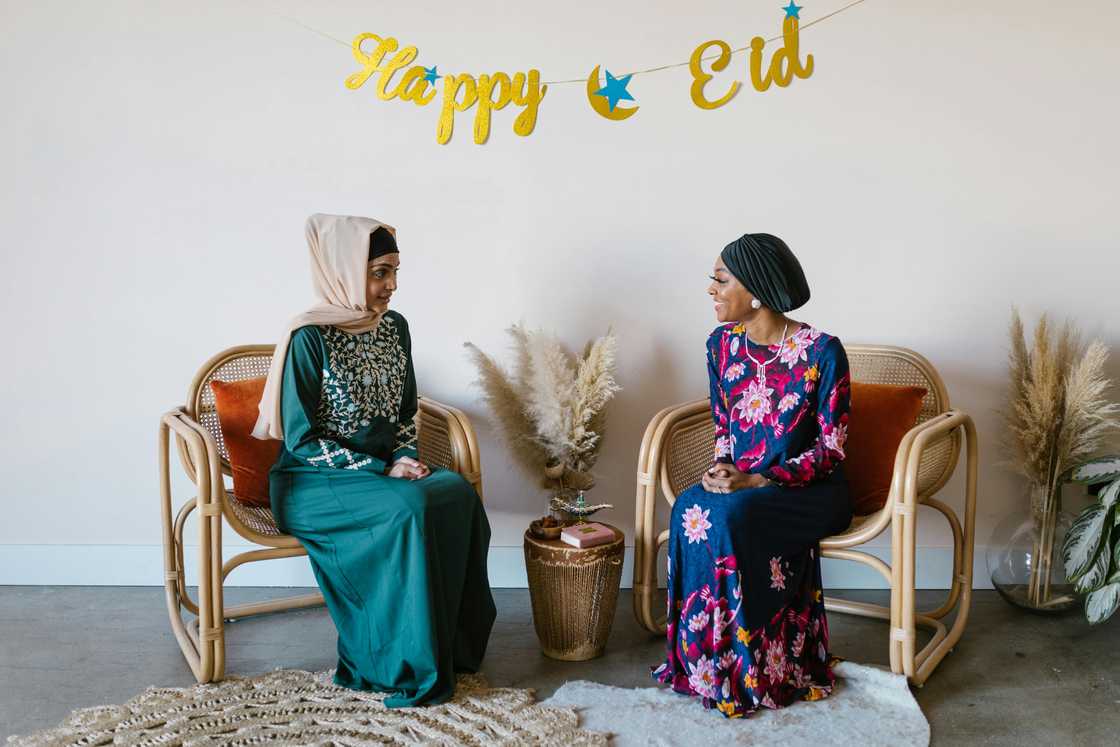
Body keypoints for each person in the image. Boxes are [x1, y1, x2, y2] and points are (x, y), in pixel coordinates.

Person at [253, 213, 496, 707]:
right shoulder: (308, 338)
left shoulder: (394, 328)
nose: (391, 286)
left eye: (395, 272)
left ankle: (450, 648)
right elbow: (300, 441)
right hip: (312, 481)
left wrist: (406, 457)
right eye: (379, 272)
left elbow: (408, 411)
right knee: (407, 511)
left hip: (384, 471)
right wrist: (382, 468)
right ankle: (395, 660)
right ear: (343, 270)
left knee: (454, 494)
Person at [652, 232, 852, 718]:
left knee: (733, 515)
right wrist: (725, 467)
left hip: (811, 489)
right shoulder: (721, 345)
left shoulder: (822, 351)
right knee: (690, 506)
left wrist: (762, 479)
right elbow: (724, 424)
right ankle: (703, 666)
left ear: (757, 290)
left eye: (720, 279)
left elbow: (831, 449)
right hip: (745, 485)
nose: (711, 289)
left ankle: (756, 668)